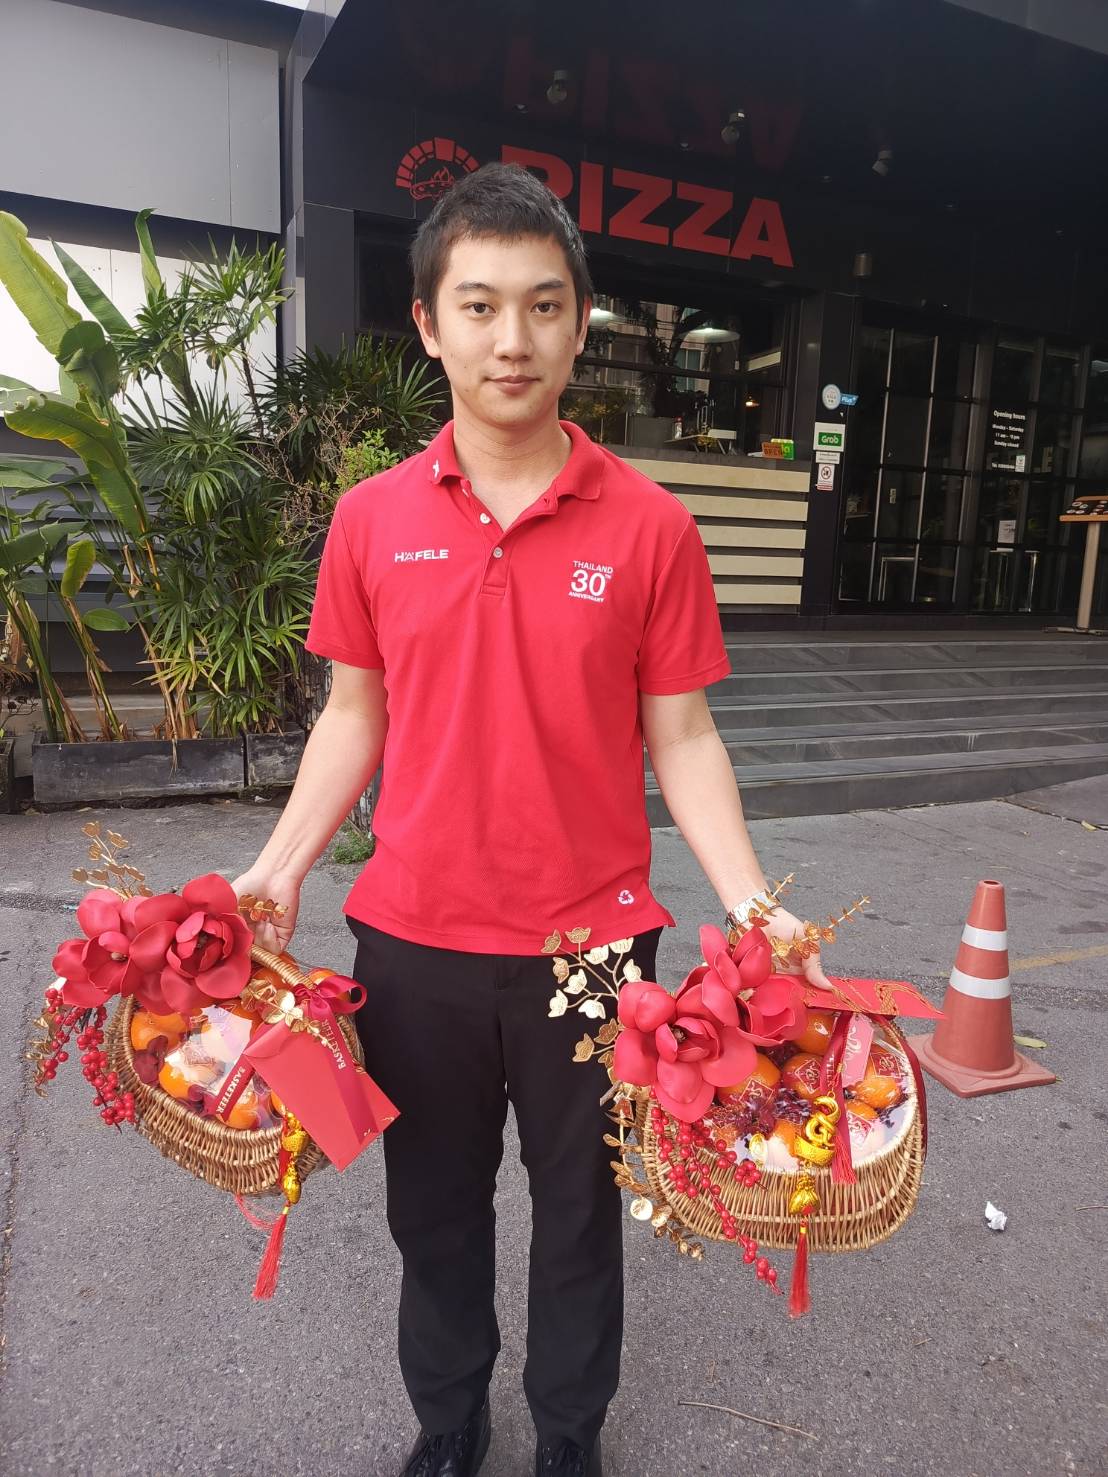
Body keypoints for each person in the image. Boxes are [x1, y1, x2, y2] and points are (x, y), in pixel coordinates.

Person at [232, 162, 830, 1477]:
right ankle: (449, 1426)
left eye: (545, 307)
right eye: (483, 305)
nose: (515, 338)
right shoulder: (371, 520)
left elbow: (683, 736)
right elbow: (351, 715)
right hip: (413, 945)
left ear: (580, 324)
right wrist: (275, 868)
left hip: (596, 960)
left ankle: (569, 1436)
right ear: (430, 323)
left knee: (582, 1218)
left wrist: (753, 904)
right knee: (431, 1215)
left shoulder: (657, 527)